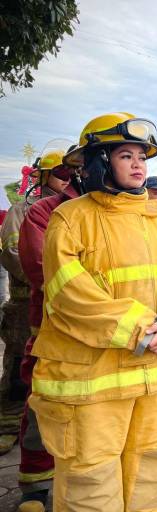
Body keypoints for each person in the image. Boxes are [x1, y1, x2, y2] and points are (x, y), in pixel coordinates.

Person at [28, 112, 157, 511]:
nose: (138, 164)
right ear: (98, 162)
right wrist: (140, 331)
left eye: (142, 157)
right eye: (125, 155)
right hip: (93, 385)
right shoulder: (71, 219)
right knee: (90, 485)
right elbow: (68, 295)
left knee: (153, 477)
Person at [15, 144, 79, 512]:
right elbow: (45, 269)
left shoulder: (133, 214)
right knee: (43, 407)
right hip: (54, 331)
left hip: (112, 335)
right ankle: (35, 486)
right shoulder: (44, 213)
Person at [0, 142, 73, 457]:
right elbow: (15, 254)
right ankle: (6, 427)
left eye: (69, 172)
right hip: (24, 305)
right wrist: (47, 281)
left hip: (62, 311)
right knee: (19, 373)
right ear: (43, 176)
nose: (65, 178)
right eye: (58, 173)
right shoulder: (24, 211)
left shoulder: (73, 209)